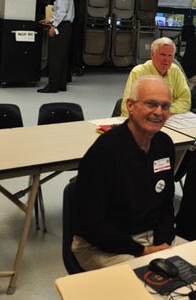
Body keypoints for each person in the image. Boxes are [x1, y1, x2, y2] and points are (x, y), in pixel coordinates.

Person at [72, 76, 178, 270]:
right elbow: (90, 223)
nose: (158, 112)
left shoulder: (164, 144)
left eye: (165, 106)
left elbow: (165, 203)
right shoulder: (104, 152)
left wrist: (163, 243)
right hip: (101, 245)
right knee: (150, 287)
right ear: (130, 106)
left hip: (150, 236)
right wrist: (141, 251)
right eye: (151, 104)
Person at [121, 37, 191, 116]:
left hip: (169, 119)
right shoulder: (139, 72)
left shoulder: (175, 71)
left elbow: (185, 100)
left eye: (170, 55)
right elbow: (128, 106)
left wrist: (167, 111)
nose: (166, 59)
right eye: (163, 55)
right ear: (152, 55)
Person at [38, 0, 74, 93]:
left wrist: (53, 26)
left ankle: (52, 86)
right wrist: (50, 20)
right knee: (61, 58)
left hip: (62, 27)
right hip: (65, 26)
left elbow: (62, 12)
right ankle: (61, 84)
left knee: (55, 57)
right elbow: (61, 12)